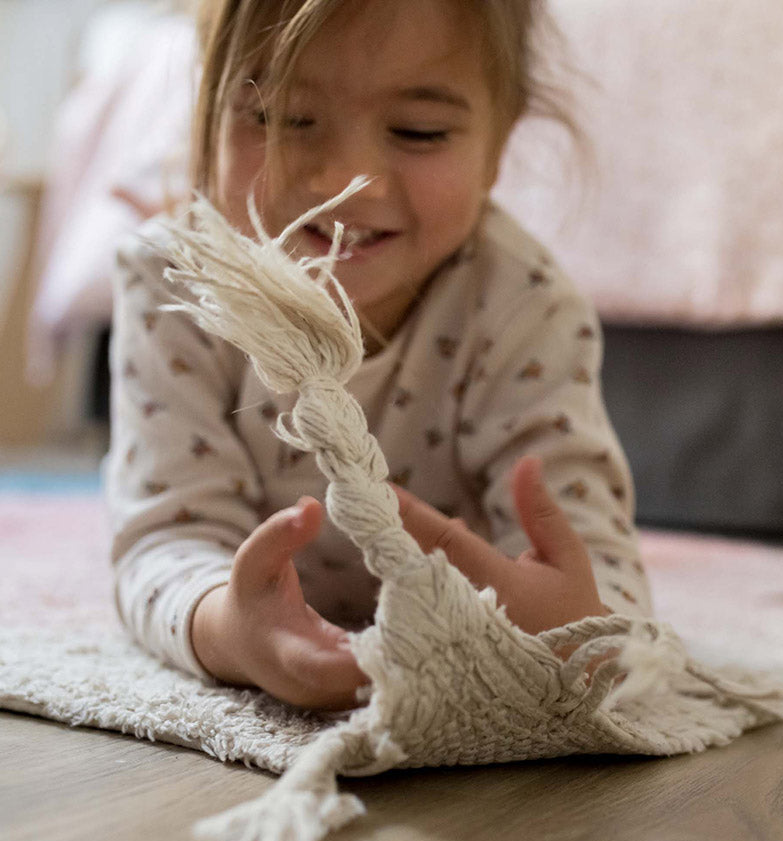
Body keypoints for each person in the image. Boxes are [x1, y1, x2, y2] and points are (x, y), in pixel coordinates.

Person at [104, 0, 651, 712]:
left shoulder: (525, 308)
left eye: (418, 132)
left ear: (499, 147)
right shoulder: (174, 285)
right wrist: (227, 628)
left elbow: (597, 578)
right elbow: (162, 545)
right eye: (280, 118)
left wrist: (573, 630)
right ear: (204, 108)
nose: (343, 181)